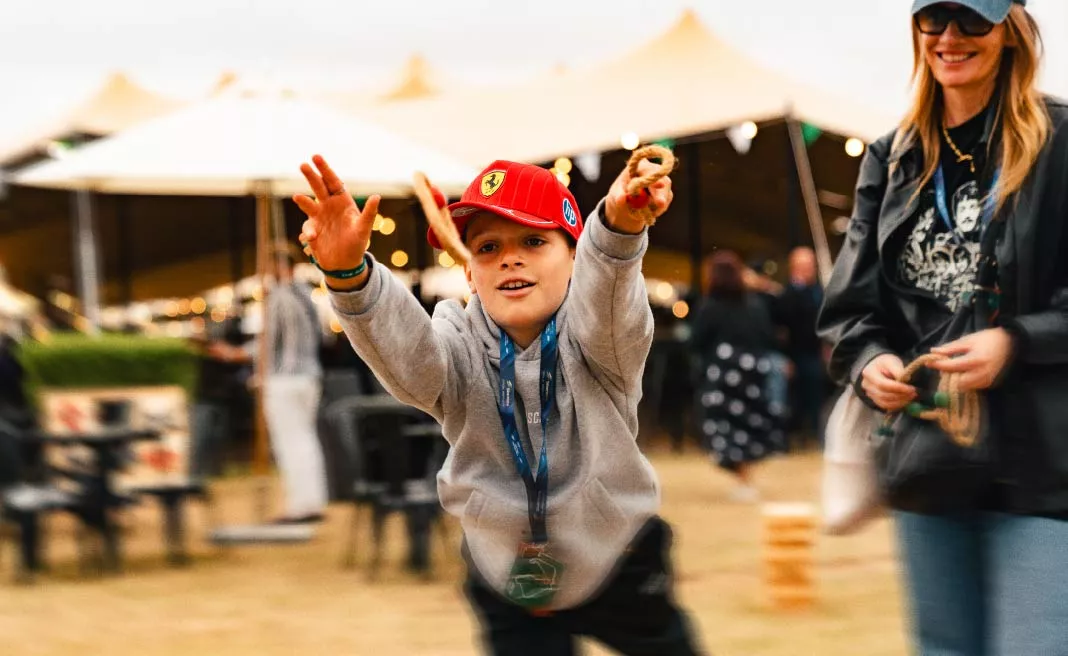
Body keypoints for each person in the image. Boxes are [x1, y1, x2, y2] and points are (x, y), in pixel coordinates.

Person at [295, 155, 703, 655]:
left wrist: (617, 231)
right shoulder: (456, 341)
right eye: (488, 248)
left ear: (576, 258)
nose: (510, 259)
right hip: (507, 566)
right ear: (470, 274)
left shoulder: (603, 342)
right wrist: (349, 274)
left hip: (617, 550)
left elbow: (609, 301)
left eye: (534, 241)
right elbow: (410, 360)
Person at [817, 1, 1068, 653]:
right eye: (935, 20)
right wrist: (869, 360)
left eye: (972, 21)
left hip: (1045, 459)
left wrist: (1016, 341)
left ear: (1010, 30)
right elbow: (849, 309)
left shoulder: (1061, 141)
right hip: (930, 455)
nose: (950, 38)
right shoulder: (891, 156)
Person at [691, 251, 785, 502]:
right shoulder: (754, 304)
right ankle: (746, 476)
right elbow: (767, 335)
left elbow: (697, 341)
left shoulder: (710, 307)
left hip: (723, 377)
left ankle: (743, 479)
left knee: (728, 428)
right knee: (748, 424)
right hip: (753, 373)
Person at [260, 244, 328, 524]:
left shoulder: (279, 297)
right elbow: (323, 337)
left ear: (278, 265)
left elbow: (267, 342)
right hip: (310, 375)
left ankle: (300, 505)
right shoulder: (307, 294)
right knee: (306, 440)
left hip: (284, 378)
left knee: (290, 442)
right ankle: (311, 501)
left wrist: (242, 358)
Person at [775, 247, 826, 447]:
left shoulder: (818, 292)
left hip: (813, 352)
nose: (809, 270)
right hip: (794, 354)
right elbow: (782, 330)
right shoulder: (787, 295)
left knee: (815, 396)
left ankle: (815, 435)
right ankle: (790, 438)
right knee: (793, 400)